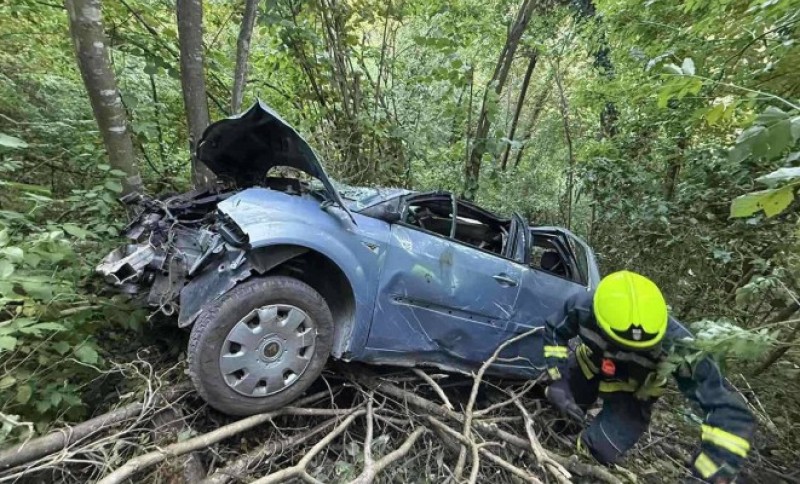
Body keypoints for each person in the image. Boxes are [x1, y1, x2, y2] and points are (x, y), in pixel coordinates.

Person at [542, 270, 755, 483]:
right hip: (588, 368)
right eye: (620, 345)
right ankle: (556, 439)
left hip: (632, 392)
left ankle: (577, 464)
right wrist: (557, 379)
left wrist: (708, 476)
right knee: (564, 415)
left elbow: (731, 413)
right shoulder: (582, 307)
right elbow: (554, 332)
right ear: (598, 320)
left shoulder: (680, 346)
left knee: (599, 449)